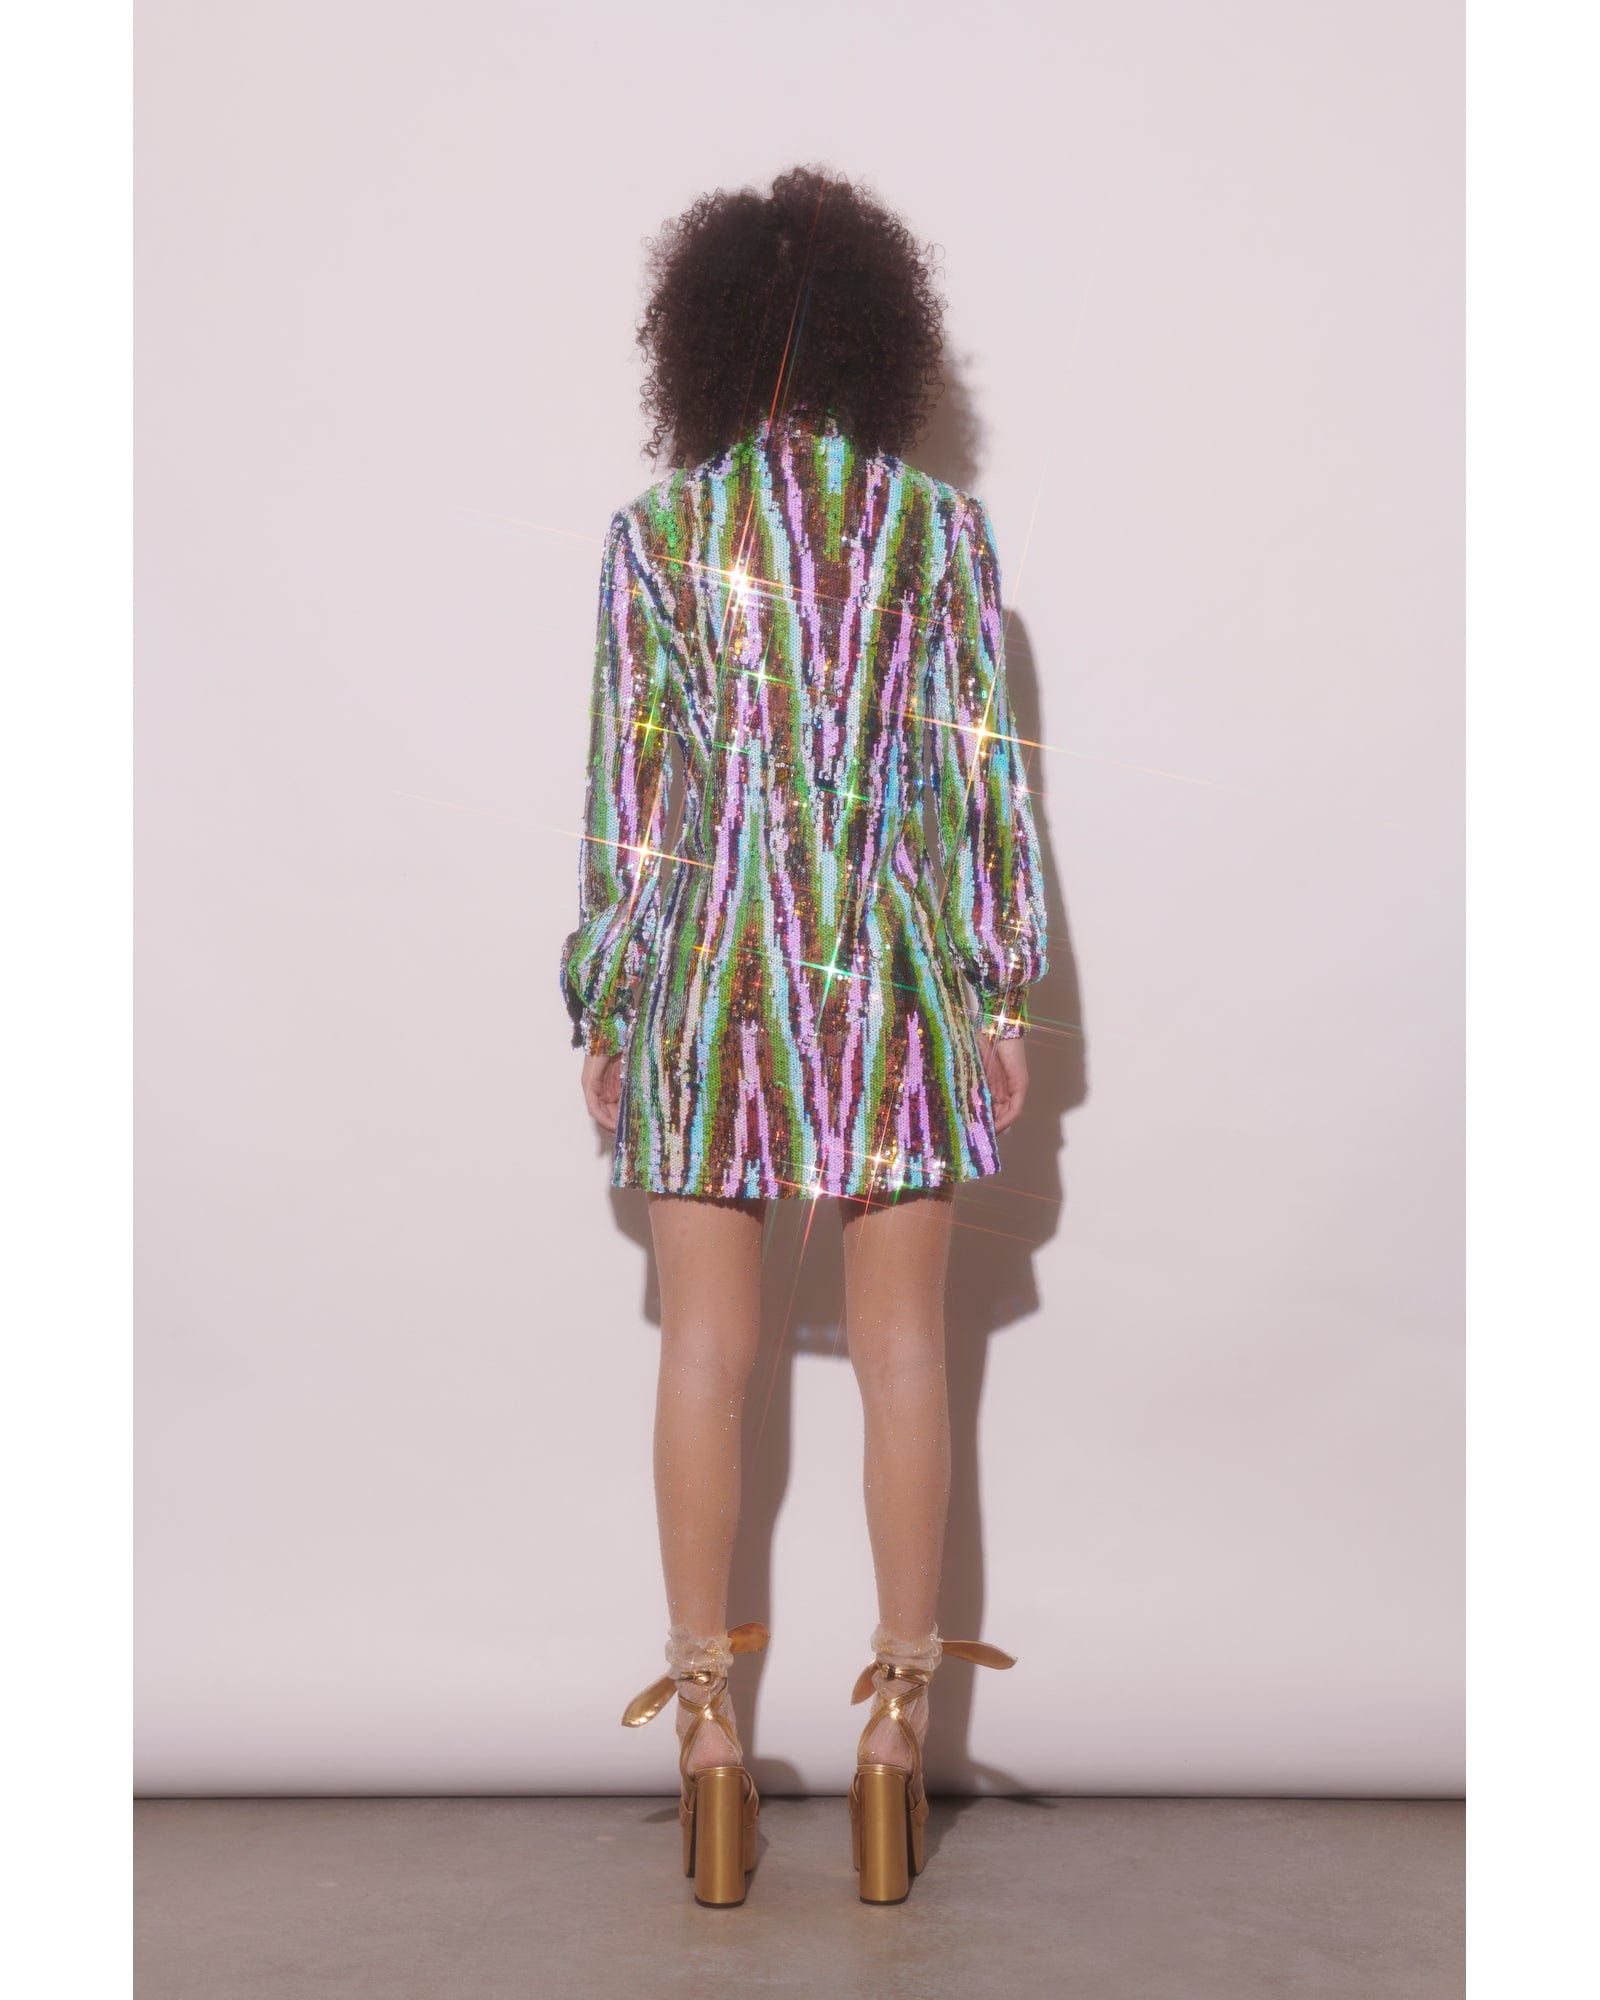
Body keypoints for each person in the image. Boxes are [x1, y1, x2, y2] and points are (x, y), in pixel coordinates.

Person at [558, 165, 1049, 1906]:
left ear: (699, 334)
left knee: (707, 1353)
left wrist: (609, 995)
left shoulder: (657, 537)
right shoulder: (939, 535)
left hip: (712, 982)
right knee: (909, 1355)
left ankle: (706, 1745)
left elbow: (634, 814)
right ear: (873, 335)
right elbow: (986, 794)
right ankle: (895, 1745)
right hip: (893, 984)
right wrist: (997, 990)